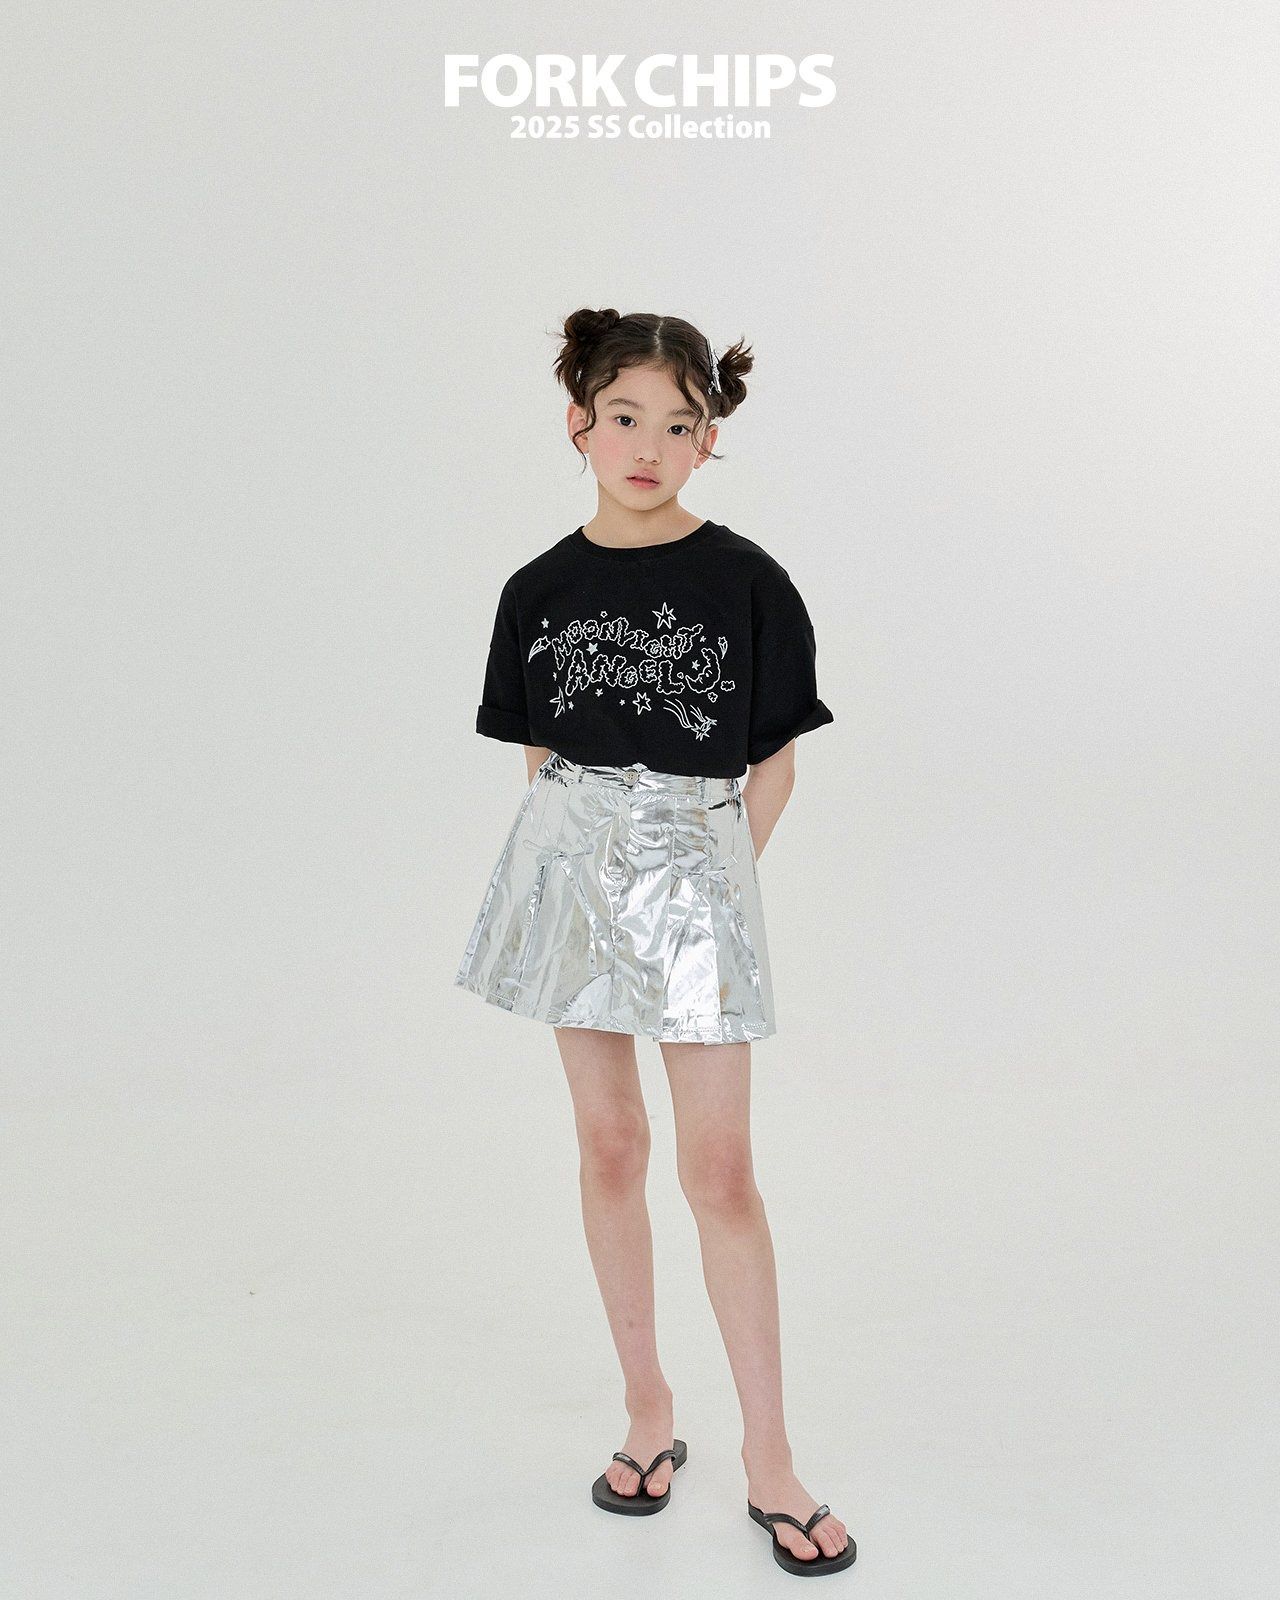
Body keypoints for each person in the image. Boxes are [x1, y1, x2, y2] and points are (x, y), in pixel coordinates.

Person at [453, 308, 855, 1575]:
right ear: (578, 421)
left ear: (706, 440)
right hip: (569, 865)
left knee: (719, 1169)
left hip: (697, 870)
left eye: (678, 425)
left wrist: (710, 883)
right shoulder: (536, 589)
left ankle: (769, 1457)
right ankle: (646, 1409)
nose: (647, 446)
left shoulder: (747, 580)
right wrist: (583, 874)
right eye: (624, 417)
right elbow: (538, 757)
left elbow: (774, 757)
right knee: (609, 1143)